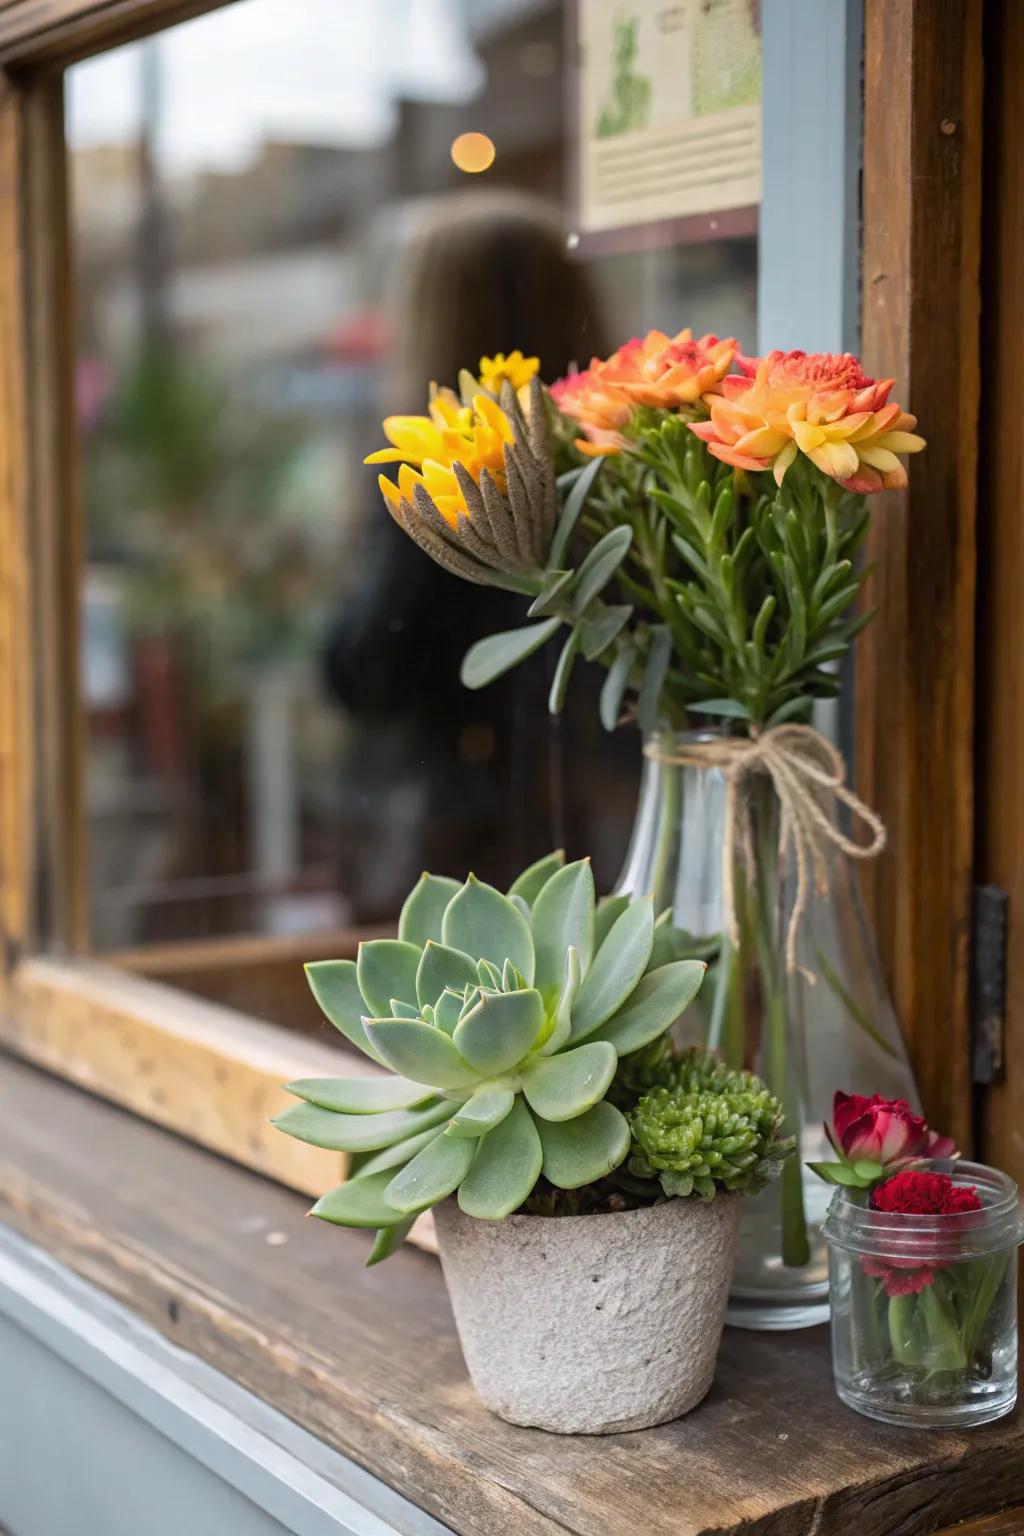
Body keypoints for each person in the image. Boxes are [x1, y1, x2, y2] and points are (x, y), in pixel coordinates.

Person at [324, 189, 615, 919]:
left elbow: (363, 672)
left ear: (432, 320)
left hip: (460, 853)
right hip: (599, 838)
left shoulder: (442, 471)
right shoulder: (621, 464)